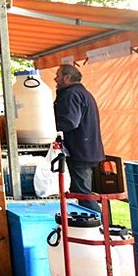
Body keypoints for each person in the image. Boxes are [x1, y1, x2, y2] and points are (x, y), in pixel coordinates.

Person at [53, 63, 104, 213]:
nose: (55, 78)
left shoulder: (71, 94)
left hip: (80, 152)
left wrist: (49, 127)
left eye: (58, 75)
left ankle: (101, 226)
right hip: (87, 150)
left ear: (67, 77)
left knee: (82, 194)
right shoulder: (81, 93)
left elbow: (70, 121)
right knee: (83, 191)